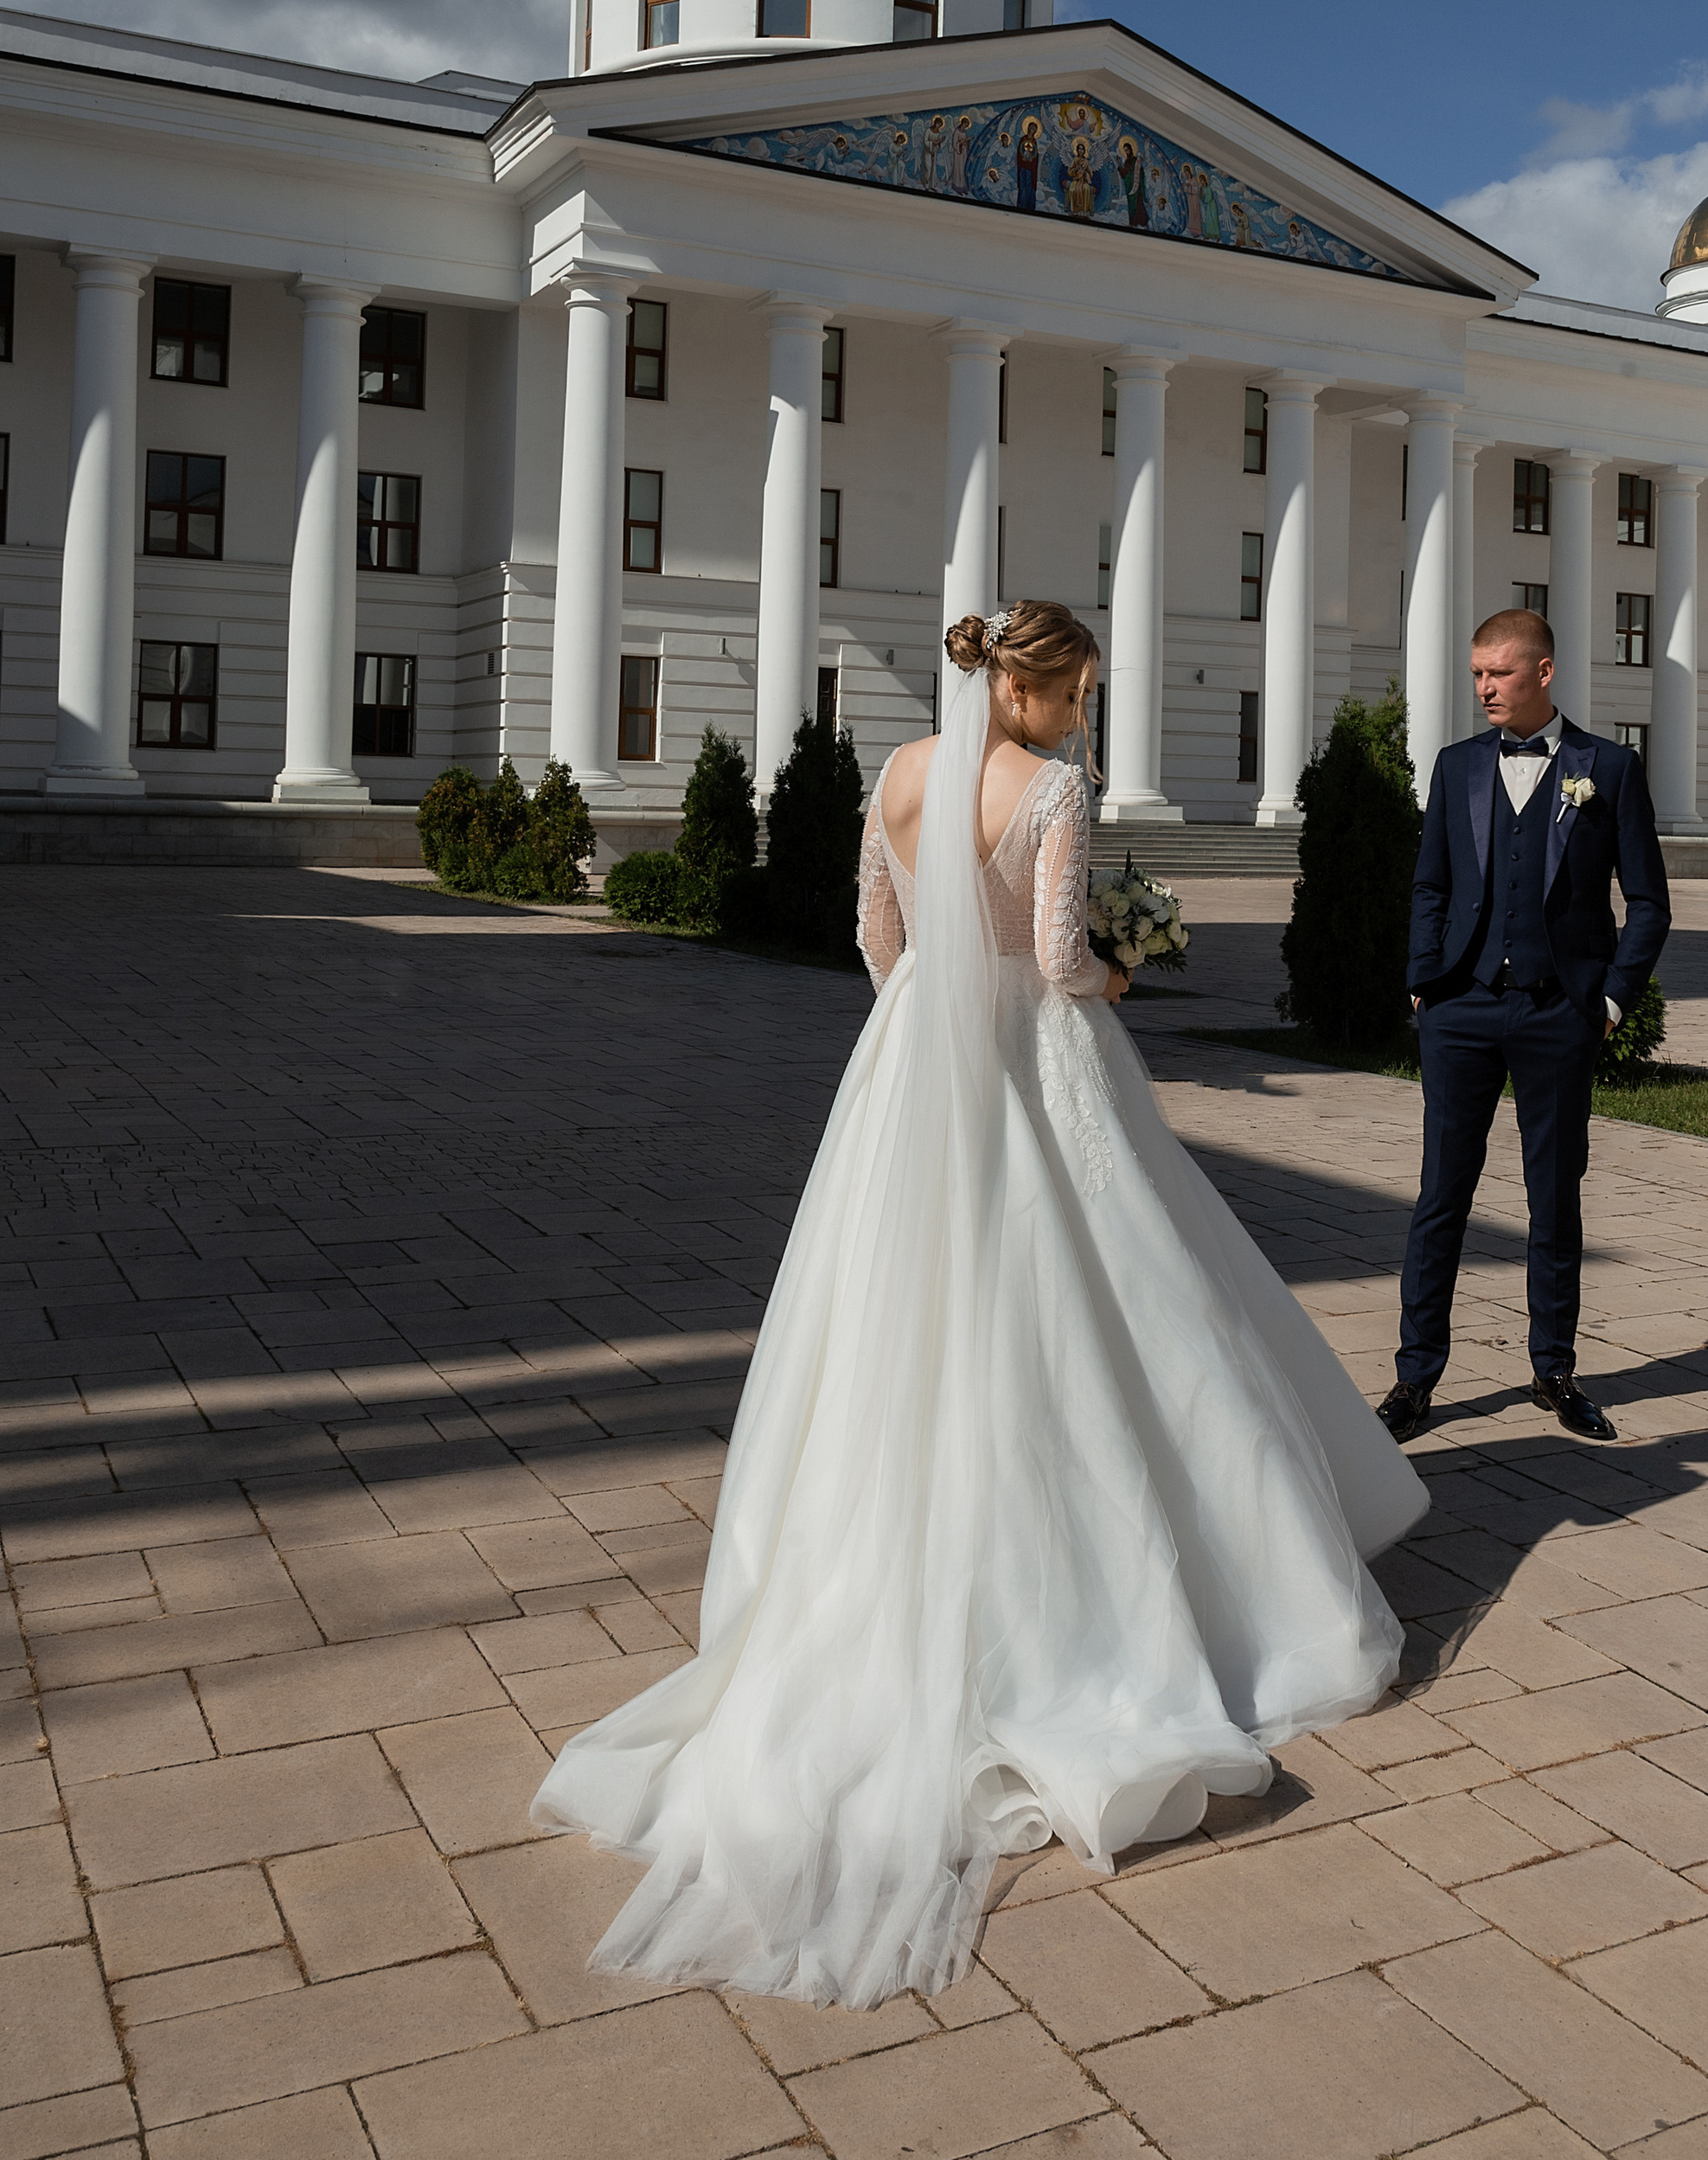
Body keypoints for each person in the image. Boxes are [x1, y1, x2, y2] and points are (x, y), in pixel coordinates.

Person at [533, 600, 1425, 2008]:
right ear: (1028, 692)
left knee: (890, 1318)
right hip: (1036, 1061)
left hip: (910, 1063)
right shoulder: (1052, 790)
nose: (1084, 716)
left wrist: (935, 1016)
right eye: (1079, 693)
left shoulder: (897, 773)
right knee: (1112, 1303)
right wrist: (1120, 971)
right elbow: (1062, 957)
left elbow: (874, 933)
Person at [1380, 605, 1670, 1448]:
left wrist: (1610, 1001)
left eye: (1498, 673)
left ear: (1543, 672)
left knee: (1554, 1197)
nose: (1483, 688)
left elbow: (1649, 902)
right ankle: (1414, 1379)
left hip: (1558, 1013)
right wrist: (1422, 982)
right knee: (1442, 1195)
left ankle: (1555, 1371)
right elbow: (1430, 883)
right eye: (1476, 674)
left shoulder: (1608, 769)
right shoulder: (1457, 765)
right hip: (1460, 1008)